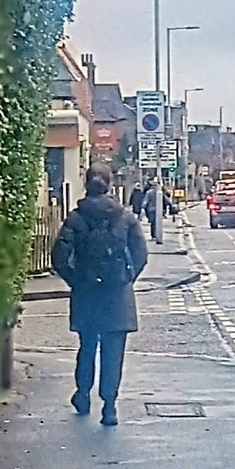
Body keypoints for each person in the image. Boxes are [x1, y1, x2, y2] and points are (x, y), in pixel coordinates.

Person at [51, 163, 149, 426]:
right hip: (117, 295)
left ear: (86, 185)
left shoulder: (76, 218)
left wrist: (76, 281)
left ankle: (83, 394)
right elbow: (141, 254)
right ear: (110, 184)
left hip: (87, 293)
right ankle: (109, 406)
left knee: (87, 346)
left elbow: (59, 257)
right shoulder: (125, 217)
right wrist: (126, 278)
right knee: (113, 353)